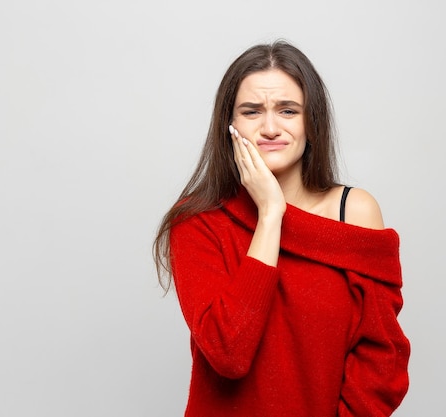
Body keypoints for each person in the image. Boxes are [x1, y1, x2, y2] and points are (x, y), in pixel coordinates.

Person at [153, 40, 410, 416]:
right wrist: (271, 213)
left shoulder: (353, 211)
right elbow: (229, 352)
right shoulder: (198, 222)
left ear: (311, 122)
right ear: (230, 124)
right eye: (251, 111)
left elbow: (382, 360)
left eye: (288, 110)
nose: (270, 128)